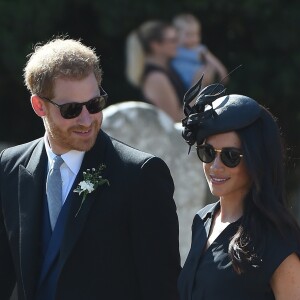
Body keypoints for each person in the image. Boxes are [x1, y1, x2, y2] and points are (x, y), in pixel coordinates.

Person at [0, 37, 181, 300]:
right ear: (39, 106)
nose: (87, 120)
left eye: (95, 104)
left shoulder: (140, 174)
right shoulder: (10, 167)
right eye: (71, 109)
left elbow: (161, 287)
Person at [178, 77, 300, 299]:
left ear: (257, 160)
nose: (215, 166)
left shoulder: (278, 241)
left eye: (230, 156)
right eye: (207, 152)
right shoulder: (202, 219)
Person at [125, 20, 186, 122]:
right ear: (155, 45)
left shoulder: (166, 70)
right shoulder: (156, 78)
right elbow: (175, 121)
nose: (178, 44)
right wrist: (199, 89)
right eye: (173, 40)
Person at [172, 13, 228, 89]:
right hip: (178, 82)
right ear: (176, 34)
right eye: (188, 35)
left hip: (197, 81)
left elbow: (213, 61)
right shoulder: (174, 47)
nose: (193, 38)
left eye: (196, 34)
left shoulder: (199, 49)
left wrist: (222, 72)